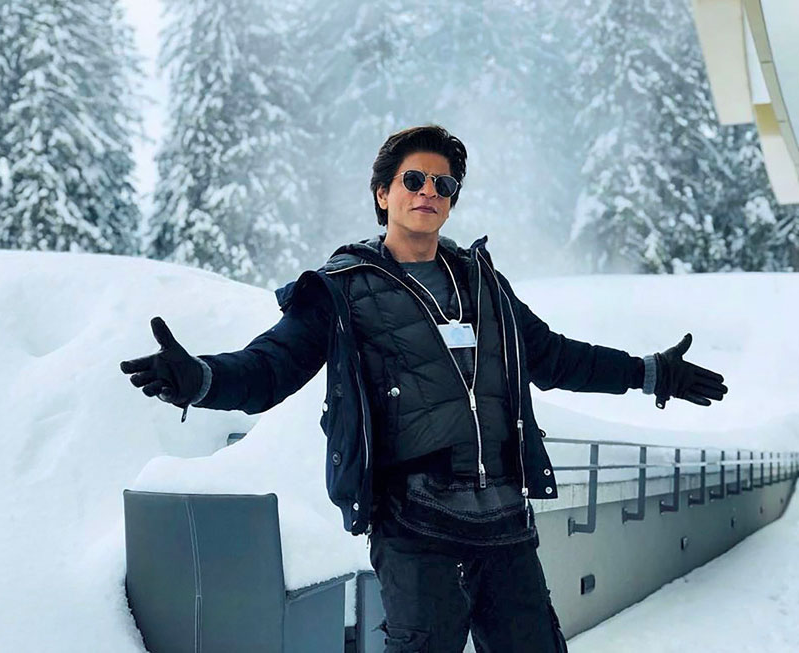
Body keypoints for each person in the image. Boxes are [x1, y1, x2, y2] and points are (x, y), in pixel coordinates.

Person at [120, 125, 728, 652]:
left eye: (444, 184)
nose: (429, 193)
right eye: (414, 180)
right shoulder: (342, 288)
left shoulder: (484, 285)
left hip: (505, 519)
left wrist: (650, 372)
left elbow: (552, 357)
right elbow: (270, 367)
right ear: (383, 194)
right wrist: (201, 379)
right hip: (414, 523)